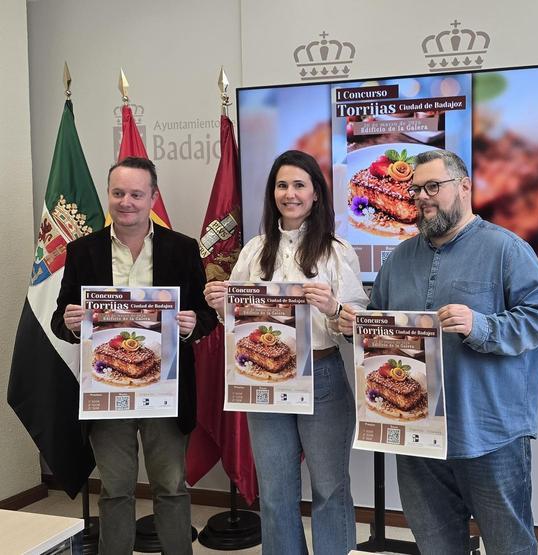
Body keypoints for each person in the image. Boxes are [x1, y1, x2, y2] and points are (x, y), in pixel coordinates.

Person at [339, 149, 538, 554]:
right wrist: (355, 328)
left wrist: (482, 325)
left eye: (432, 187)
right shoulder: (399, 258)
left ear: (464, 187)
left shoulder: (506, 249)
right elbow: (379, 328)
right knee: (436, 545)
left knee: (509, 546)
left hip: (489, 434)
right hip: (416, 434)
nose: (422, 197)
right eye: (416, 189)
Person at [51, 156, 217, 555]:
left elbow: (207, 316)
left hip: (166, 391)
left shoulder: (182, 249)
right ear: (109, 195)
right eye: (118, 193)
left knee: (171, 488)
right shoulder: (82, 251)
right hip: (107, 393)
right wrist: (71, 322)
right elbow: (60, 320)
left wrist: (193, 323)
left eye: (137, 194)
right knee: (115, 490)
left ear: (153, 198)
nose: (126, 202)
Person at [204, 150, 367, 555]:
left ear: (316, 194)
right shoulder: (253, 250)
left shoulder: (337, 250)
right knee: (275, 492)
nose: (290, 194)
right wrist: (221, 305)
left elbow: (356, 323)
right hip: (266, 380)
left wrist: (334, 308)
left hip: (323, 378)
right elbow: (237, 321)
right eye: (282, 185)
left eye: (299, 185)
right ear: (272, 193)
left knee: (330, 489)